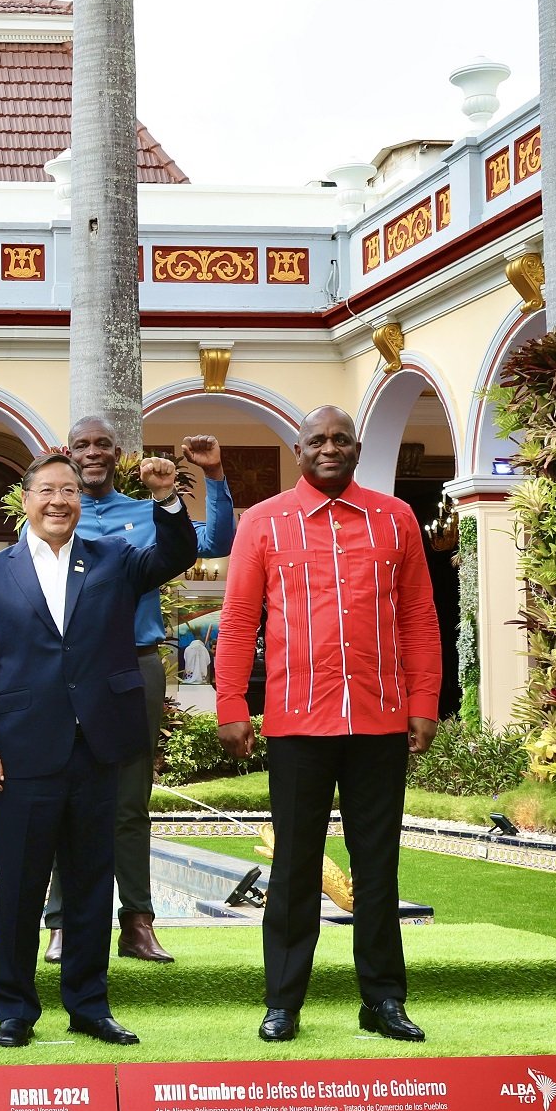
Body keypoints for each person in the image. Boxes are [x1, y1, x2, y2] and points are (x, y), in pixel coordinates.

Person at [212, 405, 440, 1046]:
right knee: (293, 869)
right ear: (299, 449)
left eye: (342, 439)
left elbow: (420, 619)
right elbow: (238, 622)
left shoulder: (396, 520)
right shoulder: (263, 522)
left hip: (379, 718)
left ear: (358, 447)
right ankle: (284, 1001)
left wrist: (423, 701)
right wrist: (232, 706)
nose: (330, 448)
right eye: (318, 440)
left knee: (378, 866)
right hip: (297, 722)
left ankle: (384, 1001)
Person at [0, 448, 198, 1049]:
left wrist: (168, 500)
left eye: (68, 490)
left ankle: (89, 1005)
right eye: (47, 490)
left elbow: (177, 554)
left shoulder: (114, 559)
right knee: (18, 886)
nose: (59, 500)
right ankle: (14, 1009)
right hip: (21, 751)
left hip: (98, 745)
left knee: (93, 883)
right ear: (27, 500)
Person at [41, 418, 234, 966]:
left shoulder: (143, 512)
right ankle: (62, 922)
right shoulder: (53, 518)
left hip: (135, 664)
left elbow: (216, 542)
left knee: (129, 801)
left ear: (118, 453)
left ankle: (138, 922)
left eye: (104, 444)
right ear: (68, 453)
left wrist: (211, 475)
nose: (93, 452)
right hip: (67, 669)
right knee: (63, 797)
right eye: (83, 445)